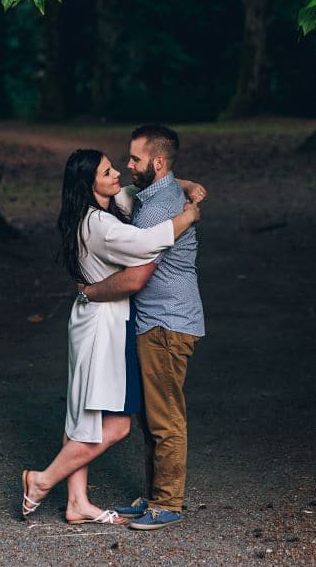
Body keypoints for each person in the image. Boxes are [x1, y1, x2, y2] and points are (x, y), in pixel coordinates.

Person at [21, 149, 202, 524]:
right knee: (116, 425)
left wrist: (184, 185)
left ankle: (77, 504)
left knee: (82, 417)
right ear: (91, 184)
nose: (118, 173)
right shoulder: (97, 223)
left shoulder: (107, 203)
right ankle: (41, 480)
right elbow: (145, 244)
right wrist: (188, 215)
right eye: (108, 171)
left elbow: (141, 191)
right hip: (103, 324)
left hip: (98, 318)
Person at [79, 125, 205, 530]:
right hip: (159, 323)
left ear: (158, 162)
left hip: (166, 325)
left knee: (165, 416)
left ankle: (167, 503)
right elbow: (134, 193)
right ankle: (154, 497)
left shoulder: (155, 210)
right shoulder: (158, 194)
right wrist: (188, 186)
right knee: (154, 416)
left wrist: (92, 291)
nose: (128, 165)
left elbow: (135, 277)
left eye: (135, 159)